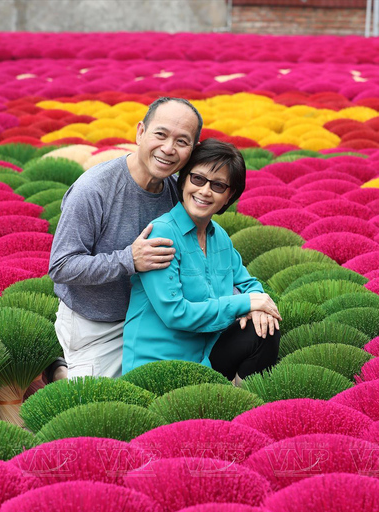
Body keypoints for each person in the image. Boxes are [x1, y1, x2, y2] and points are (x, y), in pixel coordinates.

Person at [48, 97, 203, 379]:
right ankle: (59, 369)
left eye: (182, 142)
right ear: (140, 132)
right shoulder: (94, 189)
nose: (168, 149)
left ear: (193, 150)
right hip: (97, 325)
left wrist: (246, 299)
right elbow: (61, 266)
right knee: (100, 407)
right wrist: (129, 259)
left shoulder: (178, 193)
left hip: (154, 318)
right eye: (161, 134)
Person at [122, 139, 281, 385]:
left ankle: (241, 408)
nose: (205, 191)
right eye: (198, 179)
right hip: (160, 365)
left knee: (265, 329)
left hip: (205, 354)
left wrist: (258, 305)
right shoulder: (162, 234)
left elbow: (248, 283)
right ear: (183, 180)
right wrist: (246, 302)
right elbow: (175, 314)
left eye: (218, 186)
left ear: (229, 197)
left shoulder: (219, 237)